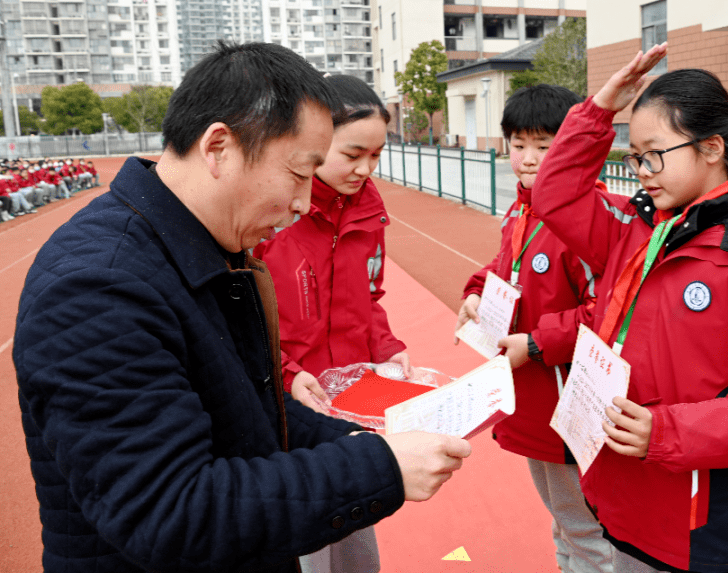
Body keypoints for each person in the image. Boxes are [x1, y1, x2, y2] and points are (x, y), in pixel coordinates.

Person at [14, 41, 471, 573]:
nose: (303, 204)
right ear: (218, 148)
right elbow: (172, 512)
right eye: (299, 175)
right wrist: (380, 467)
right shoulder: (98, 290)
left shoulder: (202, 250)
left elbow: (246, 419)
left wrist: (353, 437)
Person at [531, 46, 728, 573]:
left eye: (655, 154)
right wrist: (598, 110)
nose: (642, 171)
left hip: (696, 529)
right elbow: (553, 194)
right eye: (634, 156)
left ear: (712, 147)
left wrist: (665, 432)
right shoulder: (638, 229)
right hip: (621, 497)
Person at [455, 83, 617, 573]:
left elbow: (611, 309)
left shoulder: (589, 217)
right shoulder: (521, 210)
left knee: (586, 526)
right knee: (563, 519)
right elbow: (507, 266)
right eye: (519, 144)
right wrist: (476, 290)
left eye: (545, 146)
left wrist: (540, 342)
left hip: (570, 401)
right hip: (531, 396)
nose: (528, 158)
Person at [254, 74, 407, 573]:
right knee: (309, 534)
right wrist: (288, 372)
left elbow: (369, 296)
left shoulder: (369, 214)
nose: (365, 169)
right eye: (352, 153)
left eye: (377, 156)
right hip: (292, 408)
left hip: (354, 403)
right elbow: (243, 317)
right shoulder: (274, 214)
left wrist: (386, 347)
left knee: (360, 531)